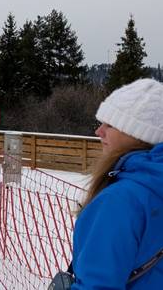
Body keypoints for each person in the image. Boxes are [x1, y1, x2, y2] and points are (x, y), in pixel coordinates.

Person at [68, 78, 163, 289]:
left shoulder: (121, 200)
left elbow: (96, 285)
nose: (98, 131)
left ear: (138, 134)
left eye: (110, 124)